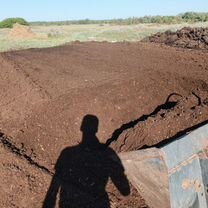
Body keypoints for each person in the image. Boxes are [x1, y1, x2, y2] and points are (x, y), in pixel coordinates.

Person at [43, 115, 130, 208]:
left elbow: (55, 183)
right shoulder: (107, 153)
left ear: (81, 128)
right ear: (96, 130)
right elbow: (125, 191)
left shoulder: (67, 152)